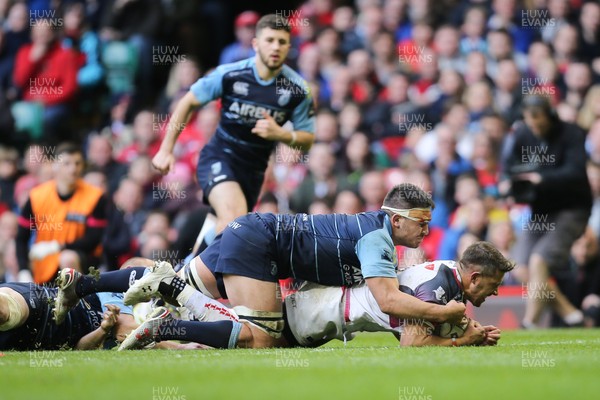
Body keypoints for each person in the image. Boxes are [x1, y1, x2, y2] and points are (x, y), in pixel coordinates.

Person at [55, 183, 466, 349]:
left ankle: (84, 285)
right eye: (421, 223)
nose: (425, 233)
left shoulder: (367, 227)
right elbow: (388, 299)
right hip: (261, 244)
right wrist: (445, 311)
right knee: (260, 338)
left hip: (251, 228)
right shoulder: (378, 240)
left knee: (180, 280)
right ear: (396, 219)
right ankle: (167, 326)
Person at [122, 241, 510, 349]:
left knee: (242, 335)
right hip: (320, 313)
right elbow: (413, 342)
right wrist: (462, 340)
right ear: (474, 277)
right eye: (493, 285)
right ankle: (172, 313)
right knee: (253, 341)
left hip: (323, 303)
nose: (493, 293)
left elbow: (434, 319)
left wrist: (468, 330)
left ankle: (171, 310)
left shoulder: (443, 276)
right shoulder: (436, 288)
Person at [151, 14, 315, 253]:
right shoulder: (229, 74)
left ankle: (188, 272)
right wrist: (166, 150)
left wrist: (281, 134)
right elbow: (187, 103)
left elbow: (307, 139)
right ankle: (214, 284)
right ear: (256, 44)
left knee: (225, 226)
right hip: (220, 157)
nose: (276, 47)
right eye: (269, 40)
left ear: (289, 47)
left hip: (254, 172)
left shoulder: (298, 89)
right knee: (234, 222)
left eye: (282, 42)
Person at [501, 95, 592, 328]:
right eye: (531, 124)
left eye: (539, 122)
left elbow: (575, 172)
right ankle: (573, 315)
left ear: (550, 115)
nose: (536, 128)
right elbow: (508, 167)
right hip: (541, 210)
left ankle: (529, 323)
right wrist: (507, 183)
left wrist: (541, 178)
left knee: (539, 260)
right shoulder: (523, 133)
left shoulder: (571, 133)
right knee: (520, 266)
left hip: (572, 209)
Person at [15, 143, 108, 283]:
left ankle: (79, 301)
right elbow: (21, 238)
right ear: (55, 166)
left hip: (83, 260)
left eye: (77, 163)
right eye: (67, 163)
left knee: (67, 257)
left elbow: (93, 240)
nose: (73, 169)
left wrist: (58, 246)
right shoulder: (36, 196)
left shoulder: (95, 196)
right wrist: (23, 270)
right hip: (44, 261)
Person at [0, 281, 133, 350]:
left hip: (28, 338)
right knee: (5, 311)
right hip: (42, 305)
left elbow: (78, 349)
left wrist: (103, 330)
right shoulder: (113, 288)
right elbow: (125, 331)